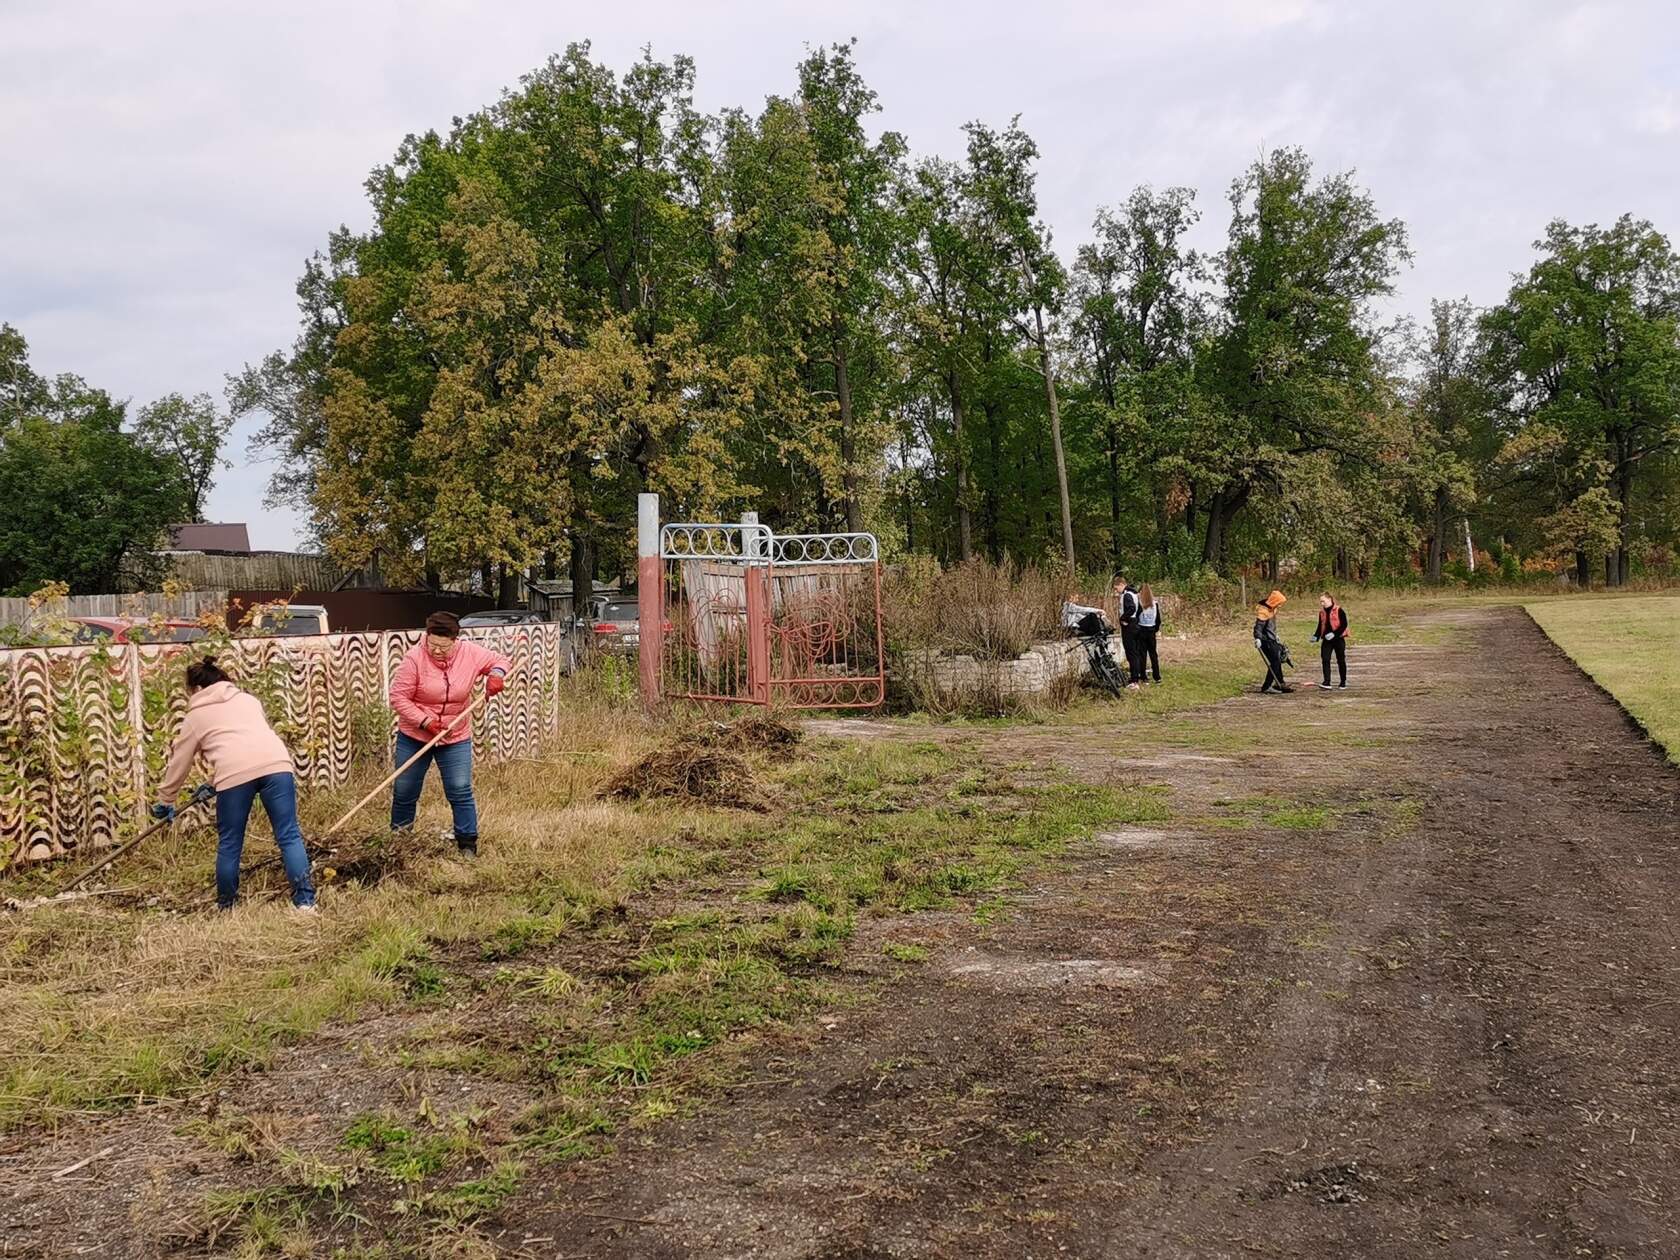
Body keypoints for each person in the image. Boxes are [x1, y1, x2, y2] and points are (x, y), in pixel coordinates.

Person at [153, 657, 316, 912]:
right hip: (277, 764)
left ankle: (227, 906)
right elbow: (246, 740)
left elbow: (180, 763)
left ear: (196, 689)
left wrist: (166, 800)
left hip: (235, 775)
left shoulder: (196, 716)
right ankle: (305, 902)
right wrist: (212, 781)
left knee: (230, 842)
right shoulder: (248, 700)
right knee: (289, 835)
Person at [389, 610, 512, 858]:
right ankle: (398, 843)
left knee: (459, 788)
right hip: (415, 735)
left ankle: (467, 843)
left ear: (455, 641)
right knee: (405, 789)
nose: (436, 651)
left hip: (455, 736)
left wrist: (496, 676)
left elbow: (500, 660)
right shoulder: (413, 659)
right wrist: (425, 721)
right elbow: (398, 697)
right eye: (432, 644)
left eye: (443, 647)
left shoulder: (470, 653)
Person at [1254, 590, 1292, 694]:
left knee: (1278, 659)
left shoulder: (1272, 609)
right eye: (1279, 603)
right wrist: (1257, 638)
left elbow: (1271, 626)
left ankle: (1280, 683)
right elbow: (1258, 627)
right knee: (1275, 661)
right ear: (1274, 601)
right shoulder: (1263, 611)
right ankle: (1266, 686)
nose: (1280, 606)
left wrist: (1276, 635)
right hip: (1265, 641)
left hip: (1272, 639)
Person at [1311, 592, 1350, 690]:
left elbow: (1344, 624)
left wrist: (1335, 634)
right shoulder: (1322, 612)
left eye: (1323, 601)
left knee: (1340, 660)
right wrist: (1316, 636)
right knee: (1325, 659)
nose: (1322, 604)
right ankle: (1327, 682)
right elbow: (1320, 625)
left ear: (1330, 600)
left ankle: (1343, 682)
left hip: (1338, 639)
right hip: (1327, 640)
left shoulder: (1339, 610)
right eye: (1321, 602)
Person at [1113, 574, 1142, 689]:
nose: (1116, 591)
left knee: (1131, 652)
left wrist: (1123, 618)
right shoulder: (1134, 594)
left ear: (1121, 584)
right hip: (1135, 624)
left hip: (1129, 626)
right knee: (1134, 652)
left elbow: (1131, 609)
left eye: (1116, 588)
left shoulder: (1126, 595)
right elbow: (1139, 609)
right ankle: (1135, 676)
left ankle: (1134, 679)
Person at [1134, 583, 1163, 684]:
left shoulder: (1140, 603)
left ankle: (1143, 676)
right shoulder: (1155, 604)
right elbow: (1158, 619)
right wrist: (1155, 629)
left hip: (1142, 630)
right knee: (1153, 654)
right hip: (1151, 631)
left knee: (1142, 654)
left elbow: (1136, 617)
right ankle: (1157, 676)